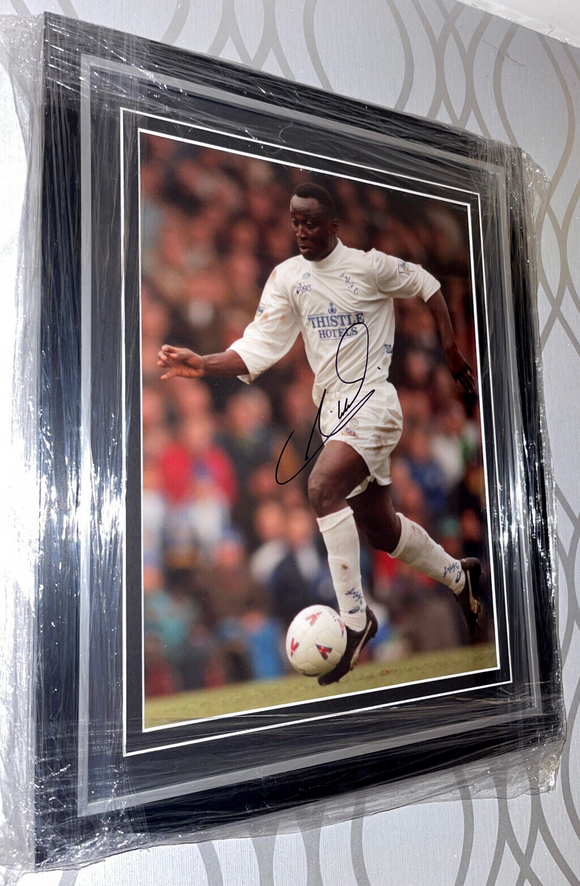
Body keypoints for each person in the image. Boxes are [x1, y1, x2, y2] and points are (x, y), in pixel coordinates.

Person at [158, 181, 482, 685]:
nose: (301, 230)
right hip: (332, 414)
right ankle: (460, 575)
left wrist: (450, 347)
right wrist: (203, 364)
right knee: (382, 529)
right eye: (294, 221)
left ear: (334, 225)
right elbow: (257, 346)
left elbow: (427, 285)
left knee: (320, 488)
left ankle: (356, 623)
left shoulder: (369, 266)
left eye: (311, 221)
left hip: (374, 401)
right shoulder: (288, 278)